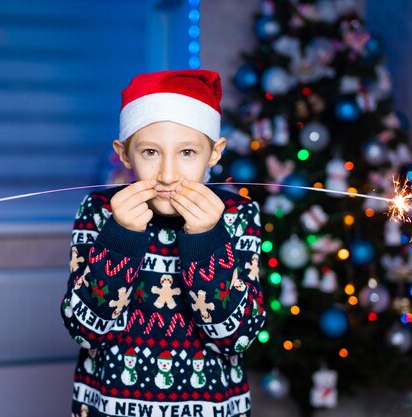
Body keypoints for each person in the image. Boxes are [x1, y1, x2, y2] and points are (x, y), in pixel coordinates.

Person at [61, 69, 265, 417]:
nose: (168, 175)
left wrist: (206, 240)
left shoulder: (237, 215)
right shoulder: (98, 211)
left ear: (214, 153)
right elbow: (84, 331)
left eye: (187, 152)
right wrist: (120, 238)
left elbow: (238, 337)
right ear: (125, 154)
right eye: (151, 152)